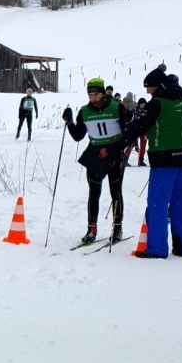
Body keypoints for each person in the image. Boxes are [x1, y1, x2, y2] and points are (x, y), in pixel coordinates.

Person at [123, 65, 182, 258]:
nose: (147, 92)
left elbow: (139, 126)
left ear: (157, 86)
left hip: (163, 159)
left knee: (158, 203)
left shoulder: (157, 103)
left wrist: (119, 143)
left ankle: (156, 248)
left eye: (148, 88)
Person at [62, 77, 131, 245]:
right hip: (94, 152)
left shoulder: (116, 107)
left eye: (96, 94)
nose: (93, 98)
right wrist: (69, 122)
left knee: (115, 191)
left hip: (113, 152)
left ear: (102, 94)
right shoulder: (85, 111)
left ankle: (117, 228)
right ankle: (91, 228)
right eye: (90, 94)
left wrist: (120, 148)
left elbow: (127, 133)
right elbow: (78, 136)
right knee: (94, 193)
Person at [132, 97, 149, 165]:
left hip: (144, 131)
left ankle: (141, 160)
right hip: (136, 130)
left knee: (143, 146)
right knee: (132, 144)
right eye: (142, 104)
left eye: (144, 104)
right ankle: (125, 157)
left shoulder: (147, 111)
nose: (143, 105)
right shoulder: (135, 111)